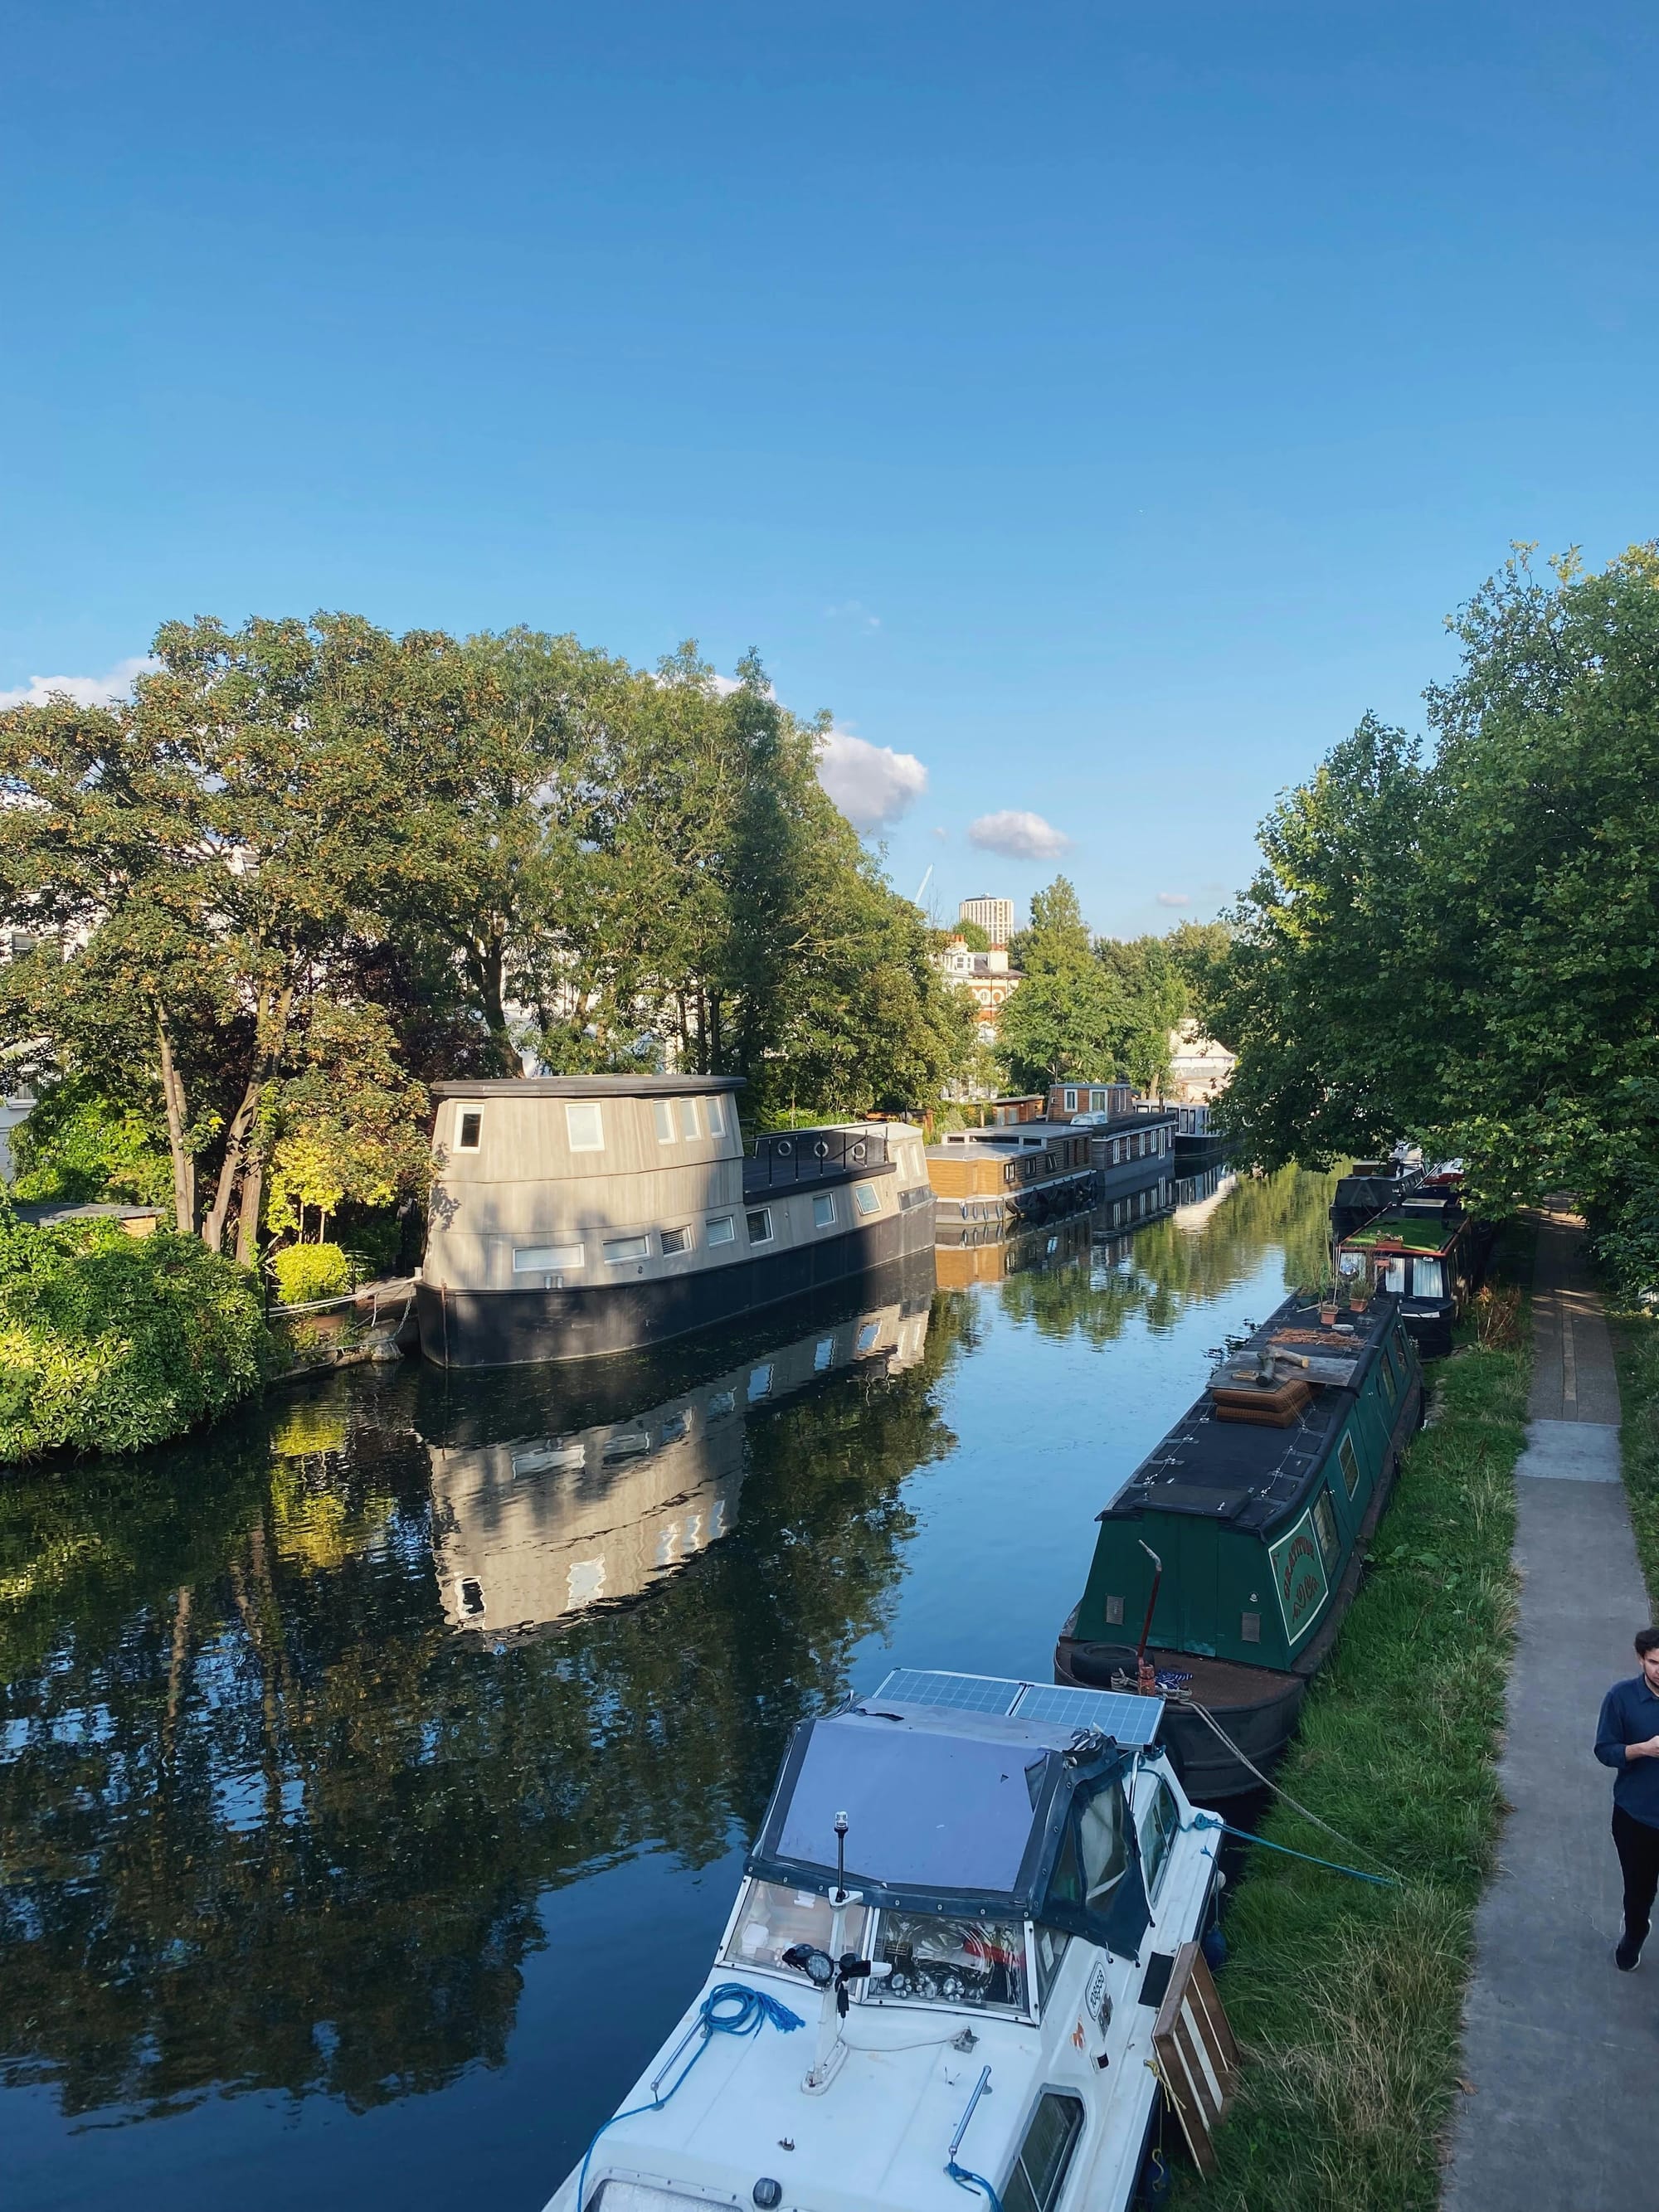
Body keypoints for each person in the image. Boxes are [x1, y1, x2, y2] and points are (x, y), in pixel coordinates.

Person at [1594, 1627, 1659, 1971]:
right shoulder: (1621, 1698)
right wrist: (1643, 1749)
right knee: (1639, 1890)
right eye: (1654, 1662)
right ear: (1641, 1660)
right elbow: (1605, 1750)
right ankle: (1635, 1933)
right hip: (1637, 1818)